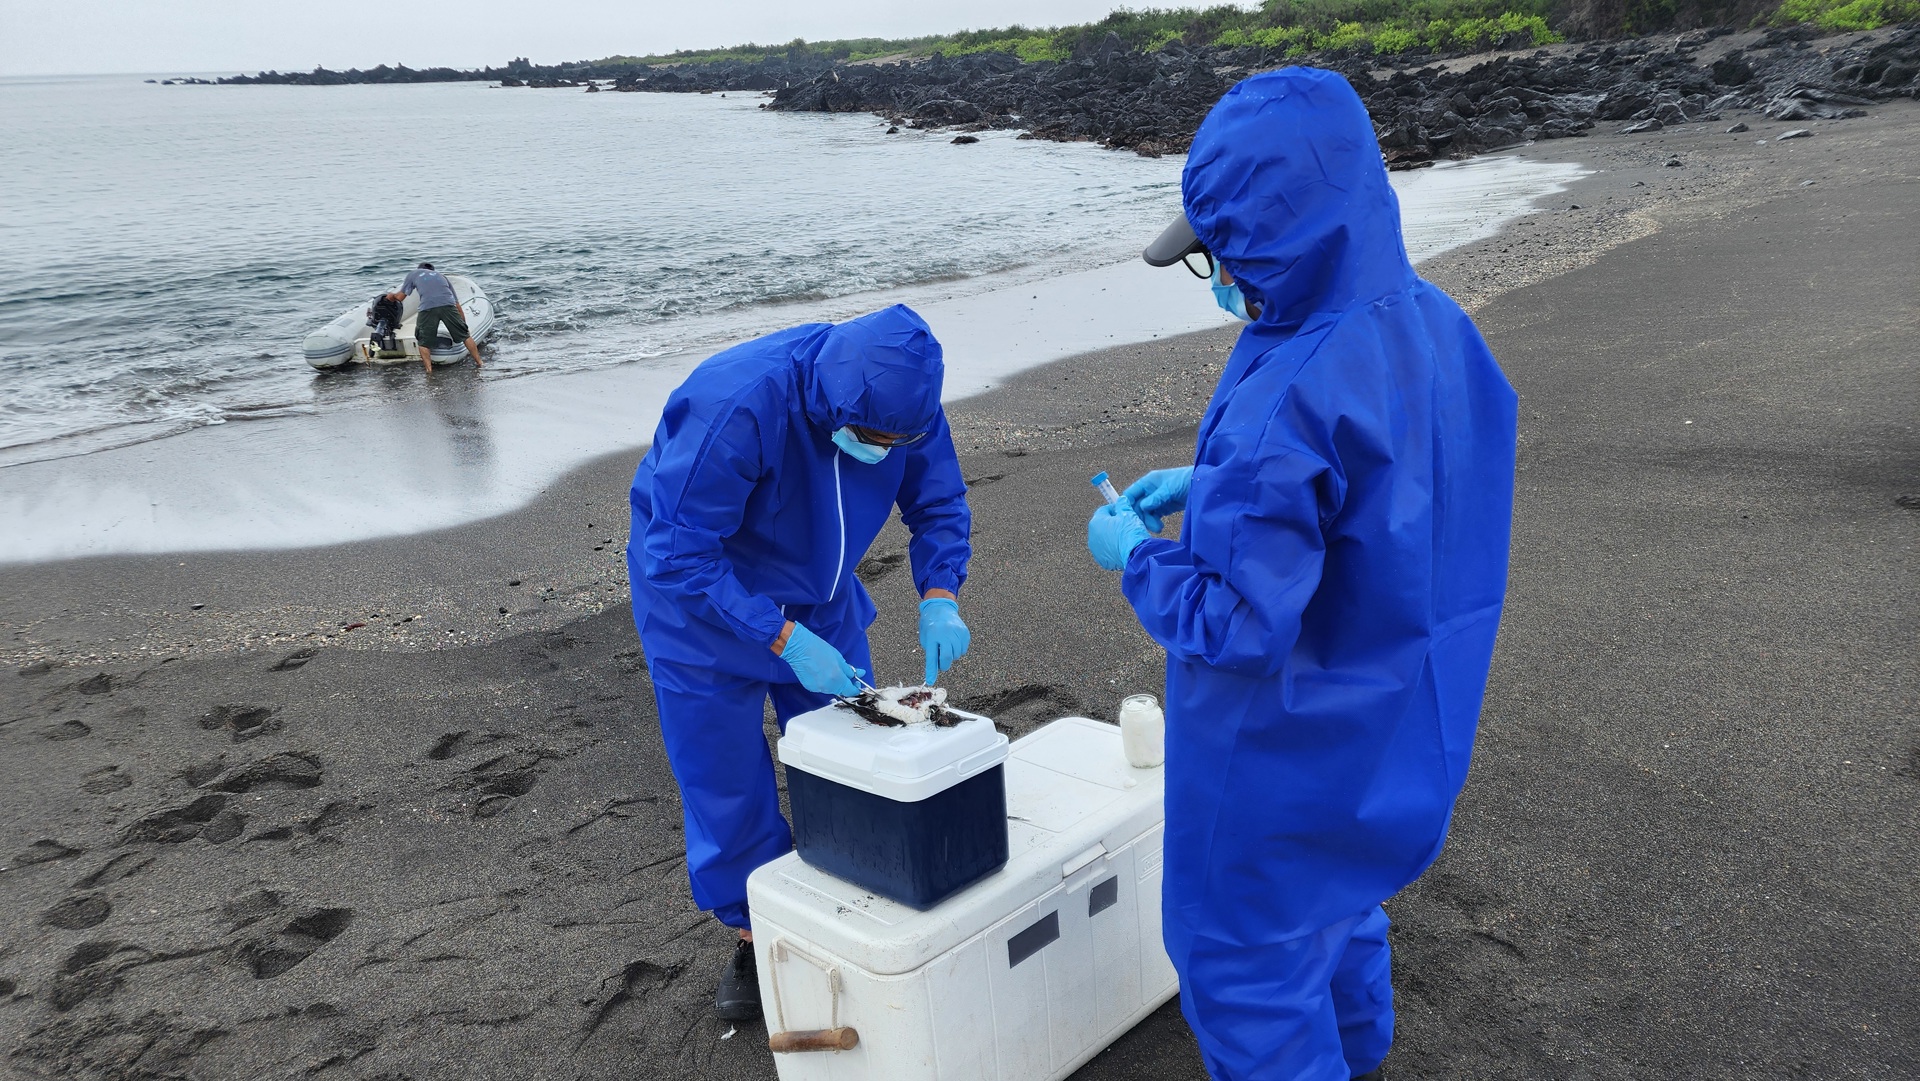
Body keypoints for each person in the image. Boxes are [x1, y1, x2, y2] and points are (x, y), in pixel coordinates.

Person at [1084, 68, 1518, 1081]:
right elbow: (1405, 483)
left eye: (1220, 252)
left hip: (1282, 757)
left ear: (1271, 240)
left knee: (1245, 962)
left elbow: (1237, 625)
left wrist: (1136, 553)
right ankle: (1361, 1054)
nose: (1221, 274)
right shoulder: (1439, 323)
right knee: (1343, 905)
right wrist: (1218, 481)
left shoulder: (1286, 395)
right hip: (1398, 734)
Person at [625, 303, 974, 1020]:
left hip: (819, 592)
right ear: (833, 405)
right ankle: (757, 930)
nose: (886, 447)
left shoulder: (906, 403)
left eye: (896, 439)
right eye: (872, 437)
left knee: (848, 751)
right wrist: (779, 639)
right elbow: (679, 548)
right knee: (723, 779)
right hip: (695, 605)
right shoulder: (739, 405)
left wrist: (941, 591)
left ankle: (848, 900)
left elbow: (937, 501)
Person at [393, 262, 483, 373]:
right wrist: (463, 325)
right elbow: (457, 305)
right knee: (465, 336)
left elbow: (400, 298)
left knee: (423, 341)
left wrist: (391, 297)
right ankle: (480, 363)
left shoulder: (414, 274)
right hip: (448, 306)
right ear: (433, 271)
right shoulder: (442, 277)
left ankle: (429, 370)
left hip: (427, 308)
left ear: (420, 269)